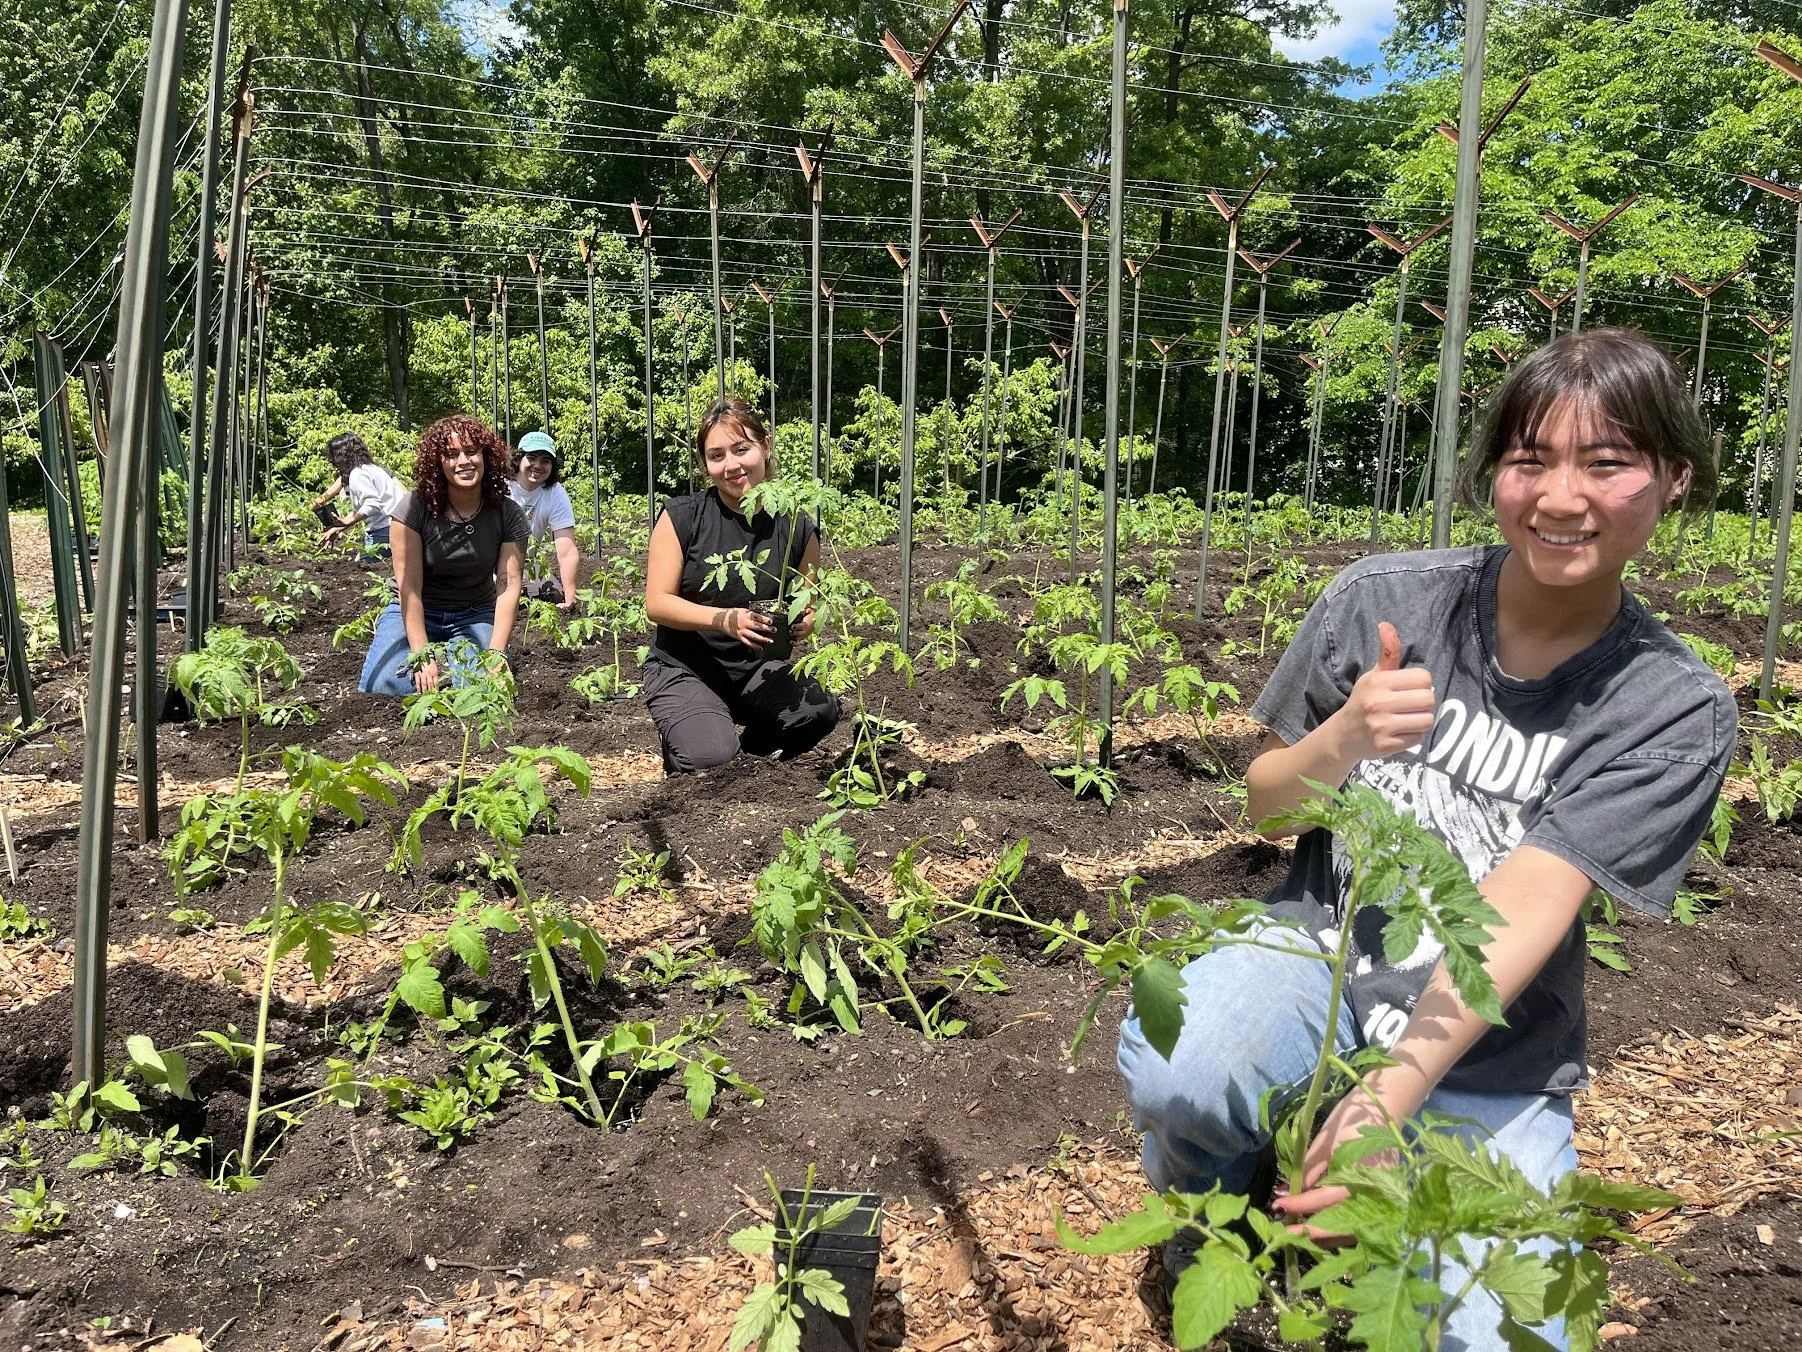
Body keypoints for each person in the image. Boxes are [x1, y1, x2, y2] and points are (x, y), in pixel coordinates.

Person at [1117, 329, 1736, 1350]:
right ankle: (1207, 1216)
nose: (1560, 495)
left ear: (1671, 477)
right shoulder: (1386, 599)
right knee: (1189, 1055)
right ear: (1493, 469)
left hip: (1486, 1044)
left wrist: (1385, 1099)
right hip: (1315, 958)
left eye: (1607, 460)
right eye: (1529, 457)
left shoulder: (1668, 705)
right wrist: (1343, 735)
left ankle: (1350, 1179)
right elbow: (1262, 807)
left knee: (1496, 1331)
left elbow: (1528, 901)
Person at [641, 395, 840, 772]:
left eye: (741, 449)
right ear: (705, 465)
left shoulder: (797, 525)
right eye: (717, 456)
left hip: (757, 668)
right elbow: (657, 603)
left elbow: (808, 601)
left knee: (818, 710)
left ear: (765, 447)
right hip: (686, 668)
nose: (731, 465)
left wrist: (806, 622)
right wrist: (723, 619)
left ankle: (746, 764)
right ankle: (697, 746)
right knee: (710, 757)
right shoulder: (683, 517)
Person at [359, 414, 527, 696]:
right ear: (438, 463)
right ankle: (436, 662)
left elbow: (508, 586)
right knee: (386, 688)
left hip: (475, 612)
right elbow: (409, 587)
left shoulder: (508, 514)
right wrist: (422, 654)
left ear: (486, 457)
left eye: (472, 452)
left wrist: (497, 655)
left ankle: (456, 668)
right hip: (418, 610)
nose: (464, 461)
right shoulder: (413, 509)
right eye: (451, 454)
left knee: (485, 691)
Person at [509, 429, 581, 606]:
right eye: (531, 458)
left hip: (527, 566)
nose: (538, 465)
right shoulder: (502, 486)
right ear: (519, 459)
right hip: (491, 566)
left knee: (553, 594)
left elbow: (567, 551)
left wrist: (570, 601)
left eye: (545, 461)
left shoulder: (554, 492)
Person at [313, 431, 403, 558]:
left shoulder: (357, 474)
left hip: (383, 532)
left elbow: (372, 505)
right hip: (399, 528)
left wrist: (345, 522)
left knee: (362, 568)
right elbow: (362, 510)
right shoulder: (375, 469)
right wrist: (338, 528)